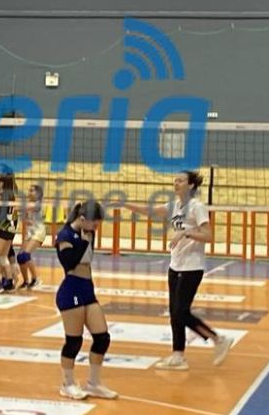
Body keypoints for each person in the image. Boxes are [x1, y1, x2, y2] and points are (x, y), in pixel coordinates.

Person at [123, 171, 233, 371]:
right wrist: (125, 204)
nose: (176, 183)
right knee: (174, 313)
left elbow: (208, 236)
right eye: (175, 180)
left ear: (191, 185)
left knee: (181, 312)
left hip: (192, 266)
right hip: (175, 265)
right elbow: (149, 211)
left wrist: (185, 233)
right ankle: (178, 355)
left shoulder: (197, 207)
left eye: (180, 180)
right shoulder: (173, 205)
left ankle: (218, 339)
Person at [54, 200, 118, 400]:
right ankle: (68, 384)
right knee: (74, 341)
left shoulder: (89, 232)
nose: (96, 229)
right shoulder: (65, 235)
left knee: (102, 338)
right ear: (82, 219)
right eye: (94, 224)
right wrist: (82, 241)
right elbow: (69, 263)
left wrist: (87, 237)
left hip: (87, 289)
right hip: (71, 290)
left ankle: (94, 383)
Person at [17, 183, 46, 289]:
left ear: (38, 193)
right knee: (20, 257)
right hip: (30, 233)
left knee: (25, 255)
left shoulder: (38, 204)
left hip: (38, 232)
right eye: (29, 190)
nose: (29, 192)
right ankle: (25, 281)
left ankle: (35, 279)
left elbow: (21, 208)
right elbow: (24, 218)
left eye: (32, 190)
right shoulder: (29, 204)